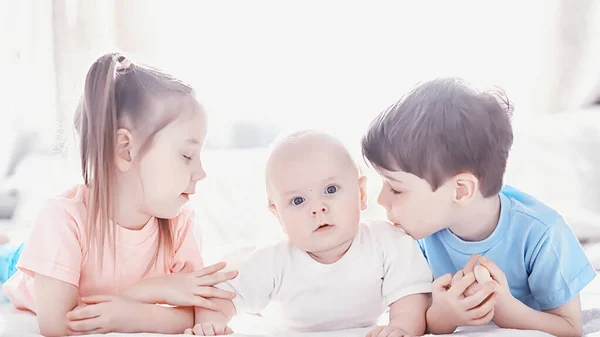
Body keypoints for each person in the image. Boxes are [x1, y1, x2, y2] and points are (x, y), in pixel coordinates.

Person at [1, 53, 238, 336]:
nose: (201, 172)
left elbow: (202, 308)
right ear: (125, 149)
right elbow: (59, 324)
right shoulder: (61, 219)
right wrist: (150, 296)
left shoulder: (180, 222)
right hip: (25, 267)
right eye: (187, 155)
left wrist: (133, 307)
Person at [361, 77, 597, 337]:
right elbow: (418, 320)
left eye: (396, 188)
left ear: (461, 190)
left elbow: (571, 328)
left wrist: (504, 309)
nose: (381, 200)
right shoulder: (415, 238)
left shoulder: (544, 234)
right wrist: (444, 315)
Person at [187, 131, 435, 337]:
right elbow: (220, 293)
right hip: (285, 326)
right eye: (297, 200)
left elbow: (411, 294)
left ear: (360, 194)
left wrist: (401, 327)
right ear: (278, 216)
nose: (318, 208)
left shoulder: (388, 242)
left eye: (330, 189)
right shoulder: (273, 260)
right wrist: (213, 326)